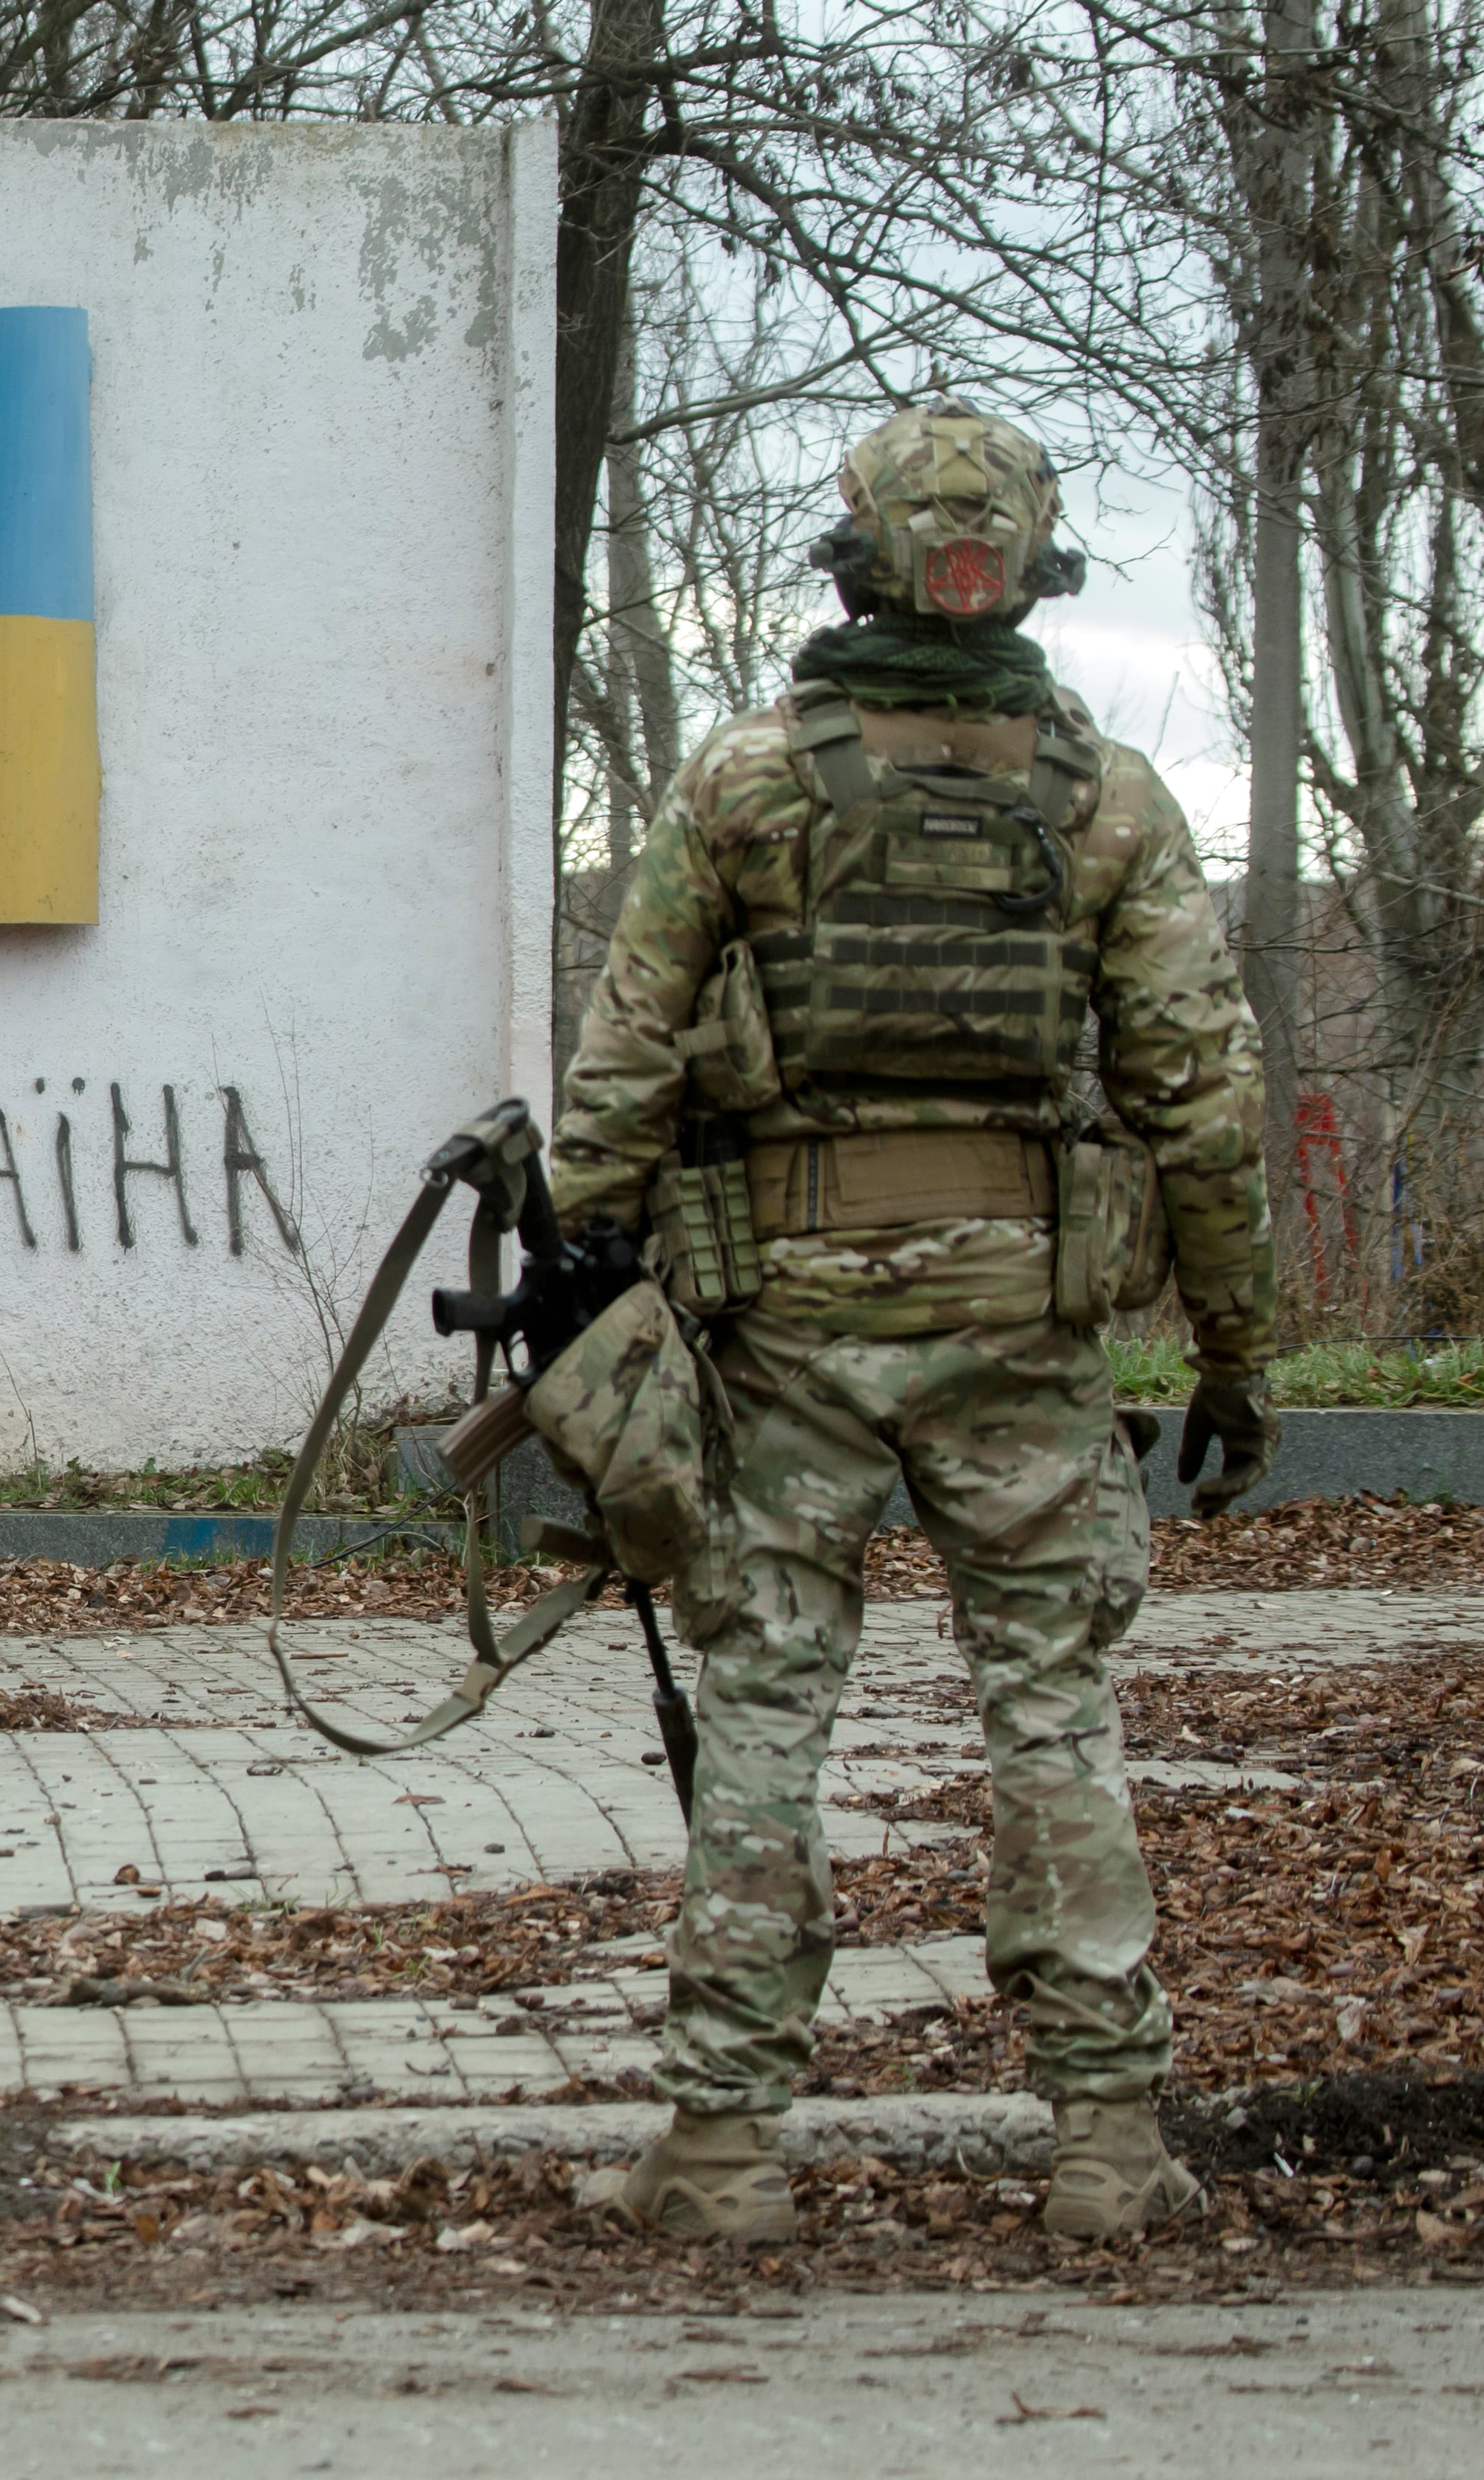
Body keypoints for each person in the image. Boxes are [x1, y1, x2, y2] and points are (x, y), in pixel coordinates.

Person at [548, 403, 1278, 2243]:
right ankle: (1107, 2144)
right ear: (1030, 563)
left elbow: (623, 1065)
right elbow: (1202, 1100)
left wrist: (583, 1275)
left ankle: (720, 2149)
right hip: (1022, 1333)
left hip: (785, 1331)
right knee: (1051, 1709)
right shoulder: (1107, 798)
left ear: (856, 553)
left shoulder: (744, 780)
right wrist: (1233, 1348)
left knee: (771, 1697)